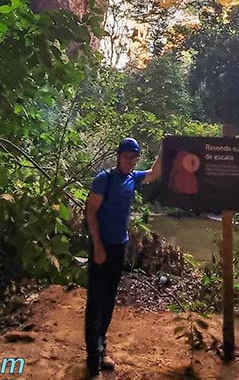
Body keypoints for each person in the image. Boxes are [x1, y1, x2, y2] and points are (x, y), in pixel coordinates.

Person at [84, 137, 161, 377]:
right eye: (127, 156)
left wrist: (166, 146)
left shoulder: (133, 178)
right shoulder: (104, 179)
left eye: (134, 157)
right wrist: (97, 245)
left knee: (108, 299)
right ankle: (92, 357)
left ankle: (102, 347)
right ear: (119, 156)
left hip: (119, 246)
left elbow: (155, 172)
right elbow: (91, 211)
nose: (131, 161)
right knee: (95, 300)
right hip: (101, 245)